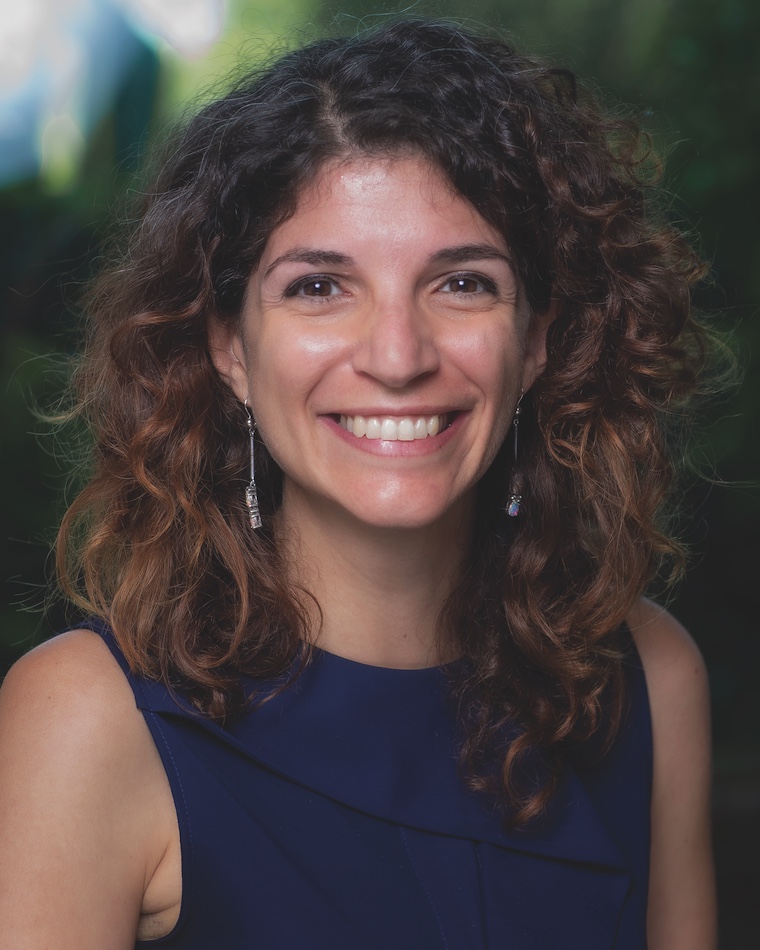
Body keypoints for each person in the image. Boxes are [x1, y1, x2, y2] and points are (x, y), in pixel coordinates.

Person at [0, 18, 716, 949]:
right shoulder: (87, 720)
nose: (397, 356)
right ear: (229, 349)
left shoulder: (652, 682)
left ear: (536, 340)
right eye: (318, 288)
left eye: (462, 284)